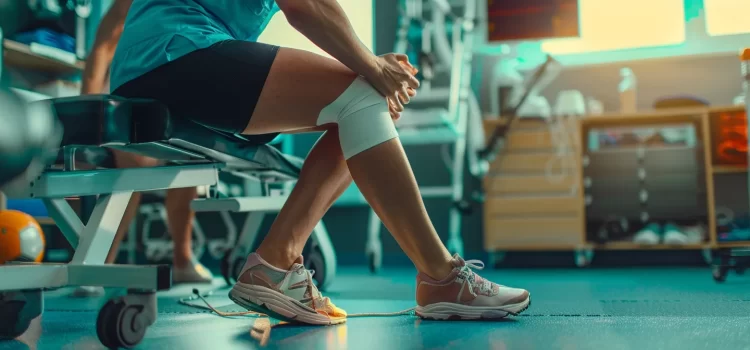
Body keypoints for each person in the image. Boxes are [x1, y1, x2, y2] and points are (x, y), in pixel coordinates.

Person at [109, 0, 530, 324]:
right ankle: (441, 277)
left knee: (364, 99)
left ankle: (276, 261)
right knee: (363, 94)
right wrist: (371, 67)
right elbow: (305, 8)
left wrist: (372, 67)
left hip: (166, 59)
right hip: (174, 52)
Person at [73, 0, 213, 297]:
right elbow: (101, 49)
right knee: (133, 163)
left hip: (171, 101)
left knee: (190, 159)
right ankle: (98, 265)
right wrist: (86, 112)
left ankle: (183, 258)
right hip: (128, 102)